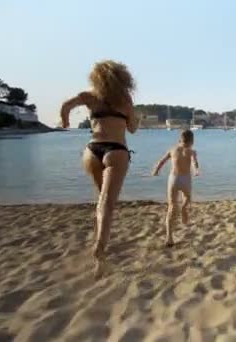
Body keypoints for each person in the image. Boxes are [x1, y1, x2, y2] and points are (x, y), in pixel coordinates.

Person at [60, 60, 139, 275]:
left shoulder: (90, 96)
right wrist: (132, 119)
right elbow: (132, 129)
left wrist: (65, 121)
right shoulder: (125, 99)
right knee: (107, 203)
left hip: (92, 151)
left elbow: (66, 105)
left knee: (100, 200)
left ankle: (98, 240)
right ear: (122, 78)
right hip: (116, 150)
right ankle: (100, 249)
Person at [152, 130, 200, 247]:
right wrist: (196, 170)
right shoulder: (192, 151)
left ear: (179, 140)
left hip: (173, 179)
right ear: (192, 141)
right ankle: (183, 209)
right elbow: (194, 162)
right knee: (187, 198)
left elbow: (161, 161)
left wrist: (156, 171)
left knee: (172, 207)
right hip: (185, 179)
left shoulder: (172, 149)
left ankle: (169, 238)